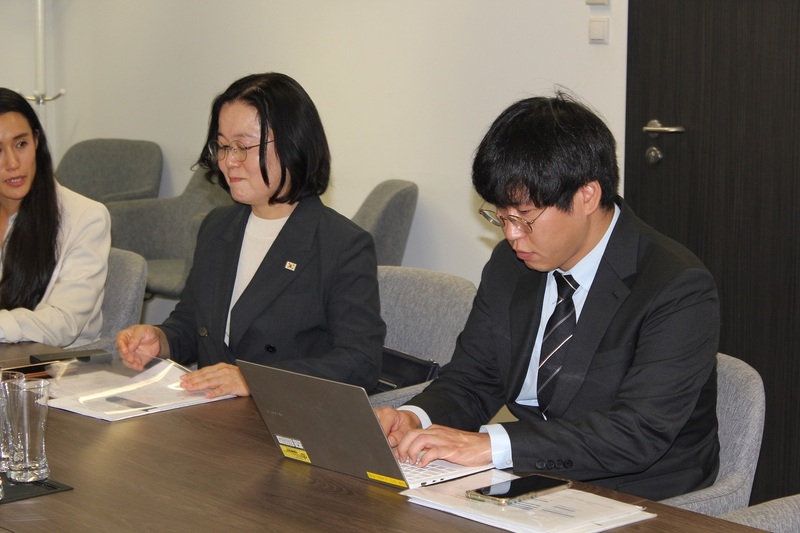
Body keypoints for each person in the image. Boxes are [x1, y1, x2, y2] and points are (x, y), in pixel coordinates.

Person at [376, 92, 721, 501]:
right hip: (530, 482)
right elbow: (473, 379)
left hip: (640, 498)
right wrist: (414, 418)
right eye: (501, 217)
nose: (511, 235)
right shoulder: (511, 264)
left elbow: (635, 434)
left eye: (525, 219)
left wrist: (492, 445)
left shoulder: (675, 286)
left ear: (587, 196)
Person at [116, 73, 385, 399]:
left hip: (286, 422)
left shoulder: (341, 244)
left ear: (293, 143)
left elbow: (361, 363)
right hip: (211, 414)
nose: (229, 161)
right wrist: (161, 339)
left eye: (243, 146)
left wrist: (256, 380)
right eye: (223, 146)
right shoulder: (217, 226)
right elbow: (193, 324)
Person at [0, 88, 110, 347]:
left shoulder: (86, 218)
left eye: (21, 144)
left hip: (59, 369)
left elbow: (64, 322)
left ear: (36, 142)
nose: (13, 162)